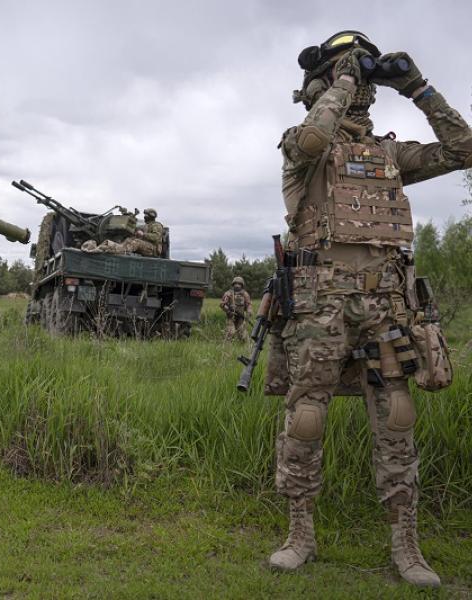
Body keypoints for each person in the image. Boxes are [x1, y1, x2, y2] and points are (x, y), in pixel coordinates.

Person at [270, 31, 472, 587]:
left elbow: (465, 150)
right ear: (318, 85)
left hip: (384, 298)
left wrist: (417, 87)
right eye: (343, 76)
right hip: (319, 299)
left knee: (397, 417)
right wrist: (341, 80)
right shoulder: (299, 145)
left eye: (359, 78)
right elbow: (314, 140)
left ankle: (406, 544)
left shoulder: (388, 153)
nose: (357, 87)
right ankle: (299, 533)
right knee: (307, 417)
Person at [81, 208, 164, 256]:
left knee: (136, 242)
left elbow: (156, 238)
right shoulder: (146, 226)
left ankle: (120, 250)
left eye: (146, 215)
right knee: (129, 240)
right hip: (148, 246)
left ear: (151, 216)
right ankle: (113, 247)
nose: (145, 217)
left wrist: (143, 235)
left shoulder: (156, 225)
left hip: (153, 249)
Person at [220, 276, 251, 342]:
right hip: (231, 316)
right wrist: (228, 311)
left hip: (241, 317)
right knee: (230, 332)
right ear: (233, 284)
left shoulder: (245, 294)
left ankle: (246, 348)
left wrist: (248, 313)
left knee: (243, 334)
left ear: (242, 285)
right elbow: (222, 304)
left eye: (239, 284)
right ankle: (227, 347)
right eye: (235, 284)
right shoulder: (229, 293)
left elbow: (248, 305)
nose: (237, 286)